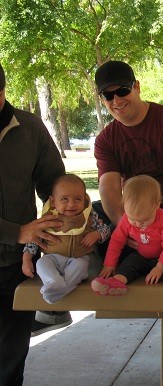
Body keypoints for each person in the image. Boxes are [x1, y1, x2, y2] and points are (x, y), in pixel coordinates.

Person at [93, 60, 163, 288]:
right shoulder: (106, 140)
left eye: (122, 91)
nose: (116, 100)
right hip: (137, 219)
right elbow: (109, 188)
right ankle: (104, 277)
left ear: (137, 87)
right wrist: (126, 225)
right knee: (93, 213)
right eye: (107, 95)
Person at [0, 62, 65, 385]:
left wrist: (55, 225)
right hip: (14, 241)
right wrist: (16, 231)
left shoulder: (29, 127)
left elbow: (54, 184)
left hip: (15, 265)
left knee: (11, 356)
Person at [91, 175, 163, 295]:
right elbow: (116, 241)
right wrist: (109, 264)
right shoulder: (126, 220)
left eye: (145, 220)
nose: (138, 224)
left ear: (157, 205)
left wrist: (159, 268)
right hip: (141, 255)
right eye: (133, 220)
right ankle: (116, 282)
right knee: (129, 263)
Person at [22, 174, 110, 303]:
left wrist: (96, 235)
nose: (71, 204)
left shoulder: (89, 216)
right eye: (64, 199)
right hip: (53, 258)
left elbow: (106, 230)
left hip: (80, 258)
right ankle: (54, 282)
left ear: (84, 200)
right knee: (41, 263)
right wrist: (26, 259)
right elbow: (33, 239)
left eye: (78, 199)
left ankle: (56, 291)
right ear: (53, 201)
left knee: (82, 264)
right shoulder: (48, 218)